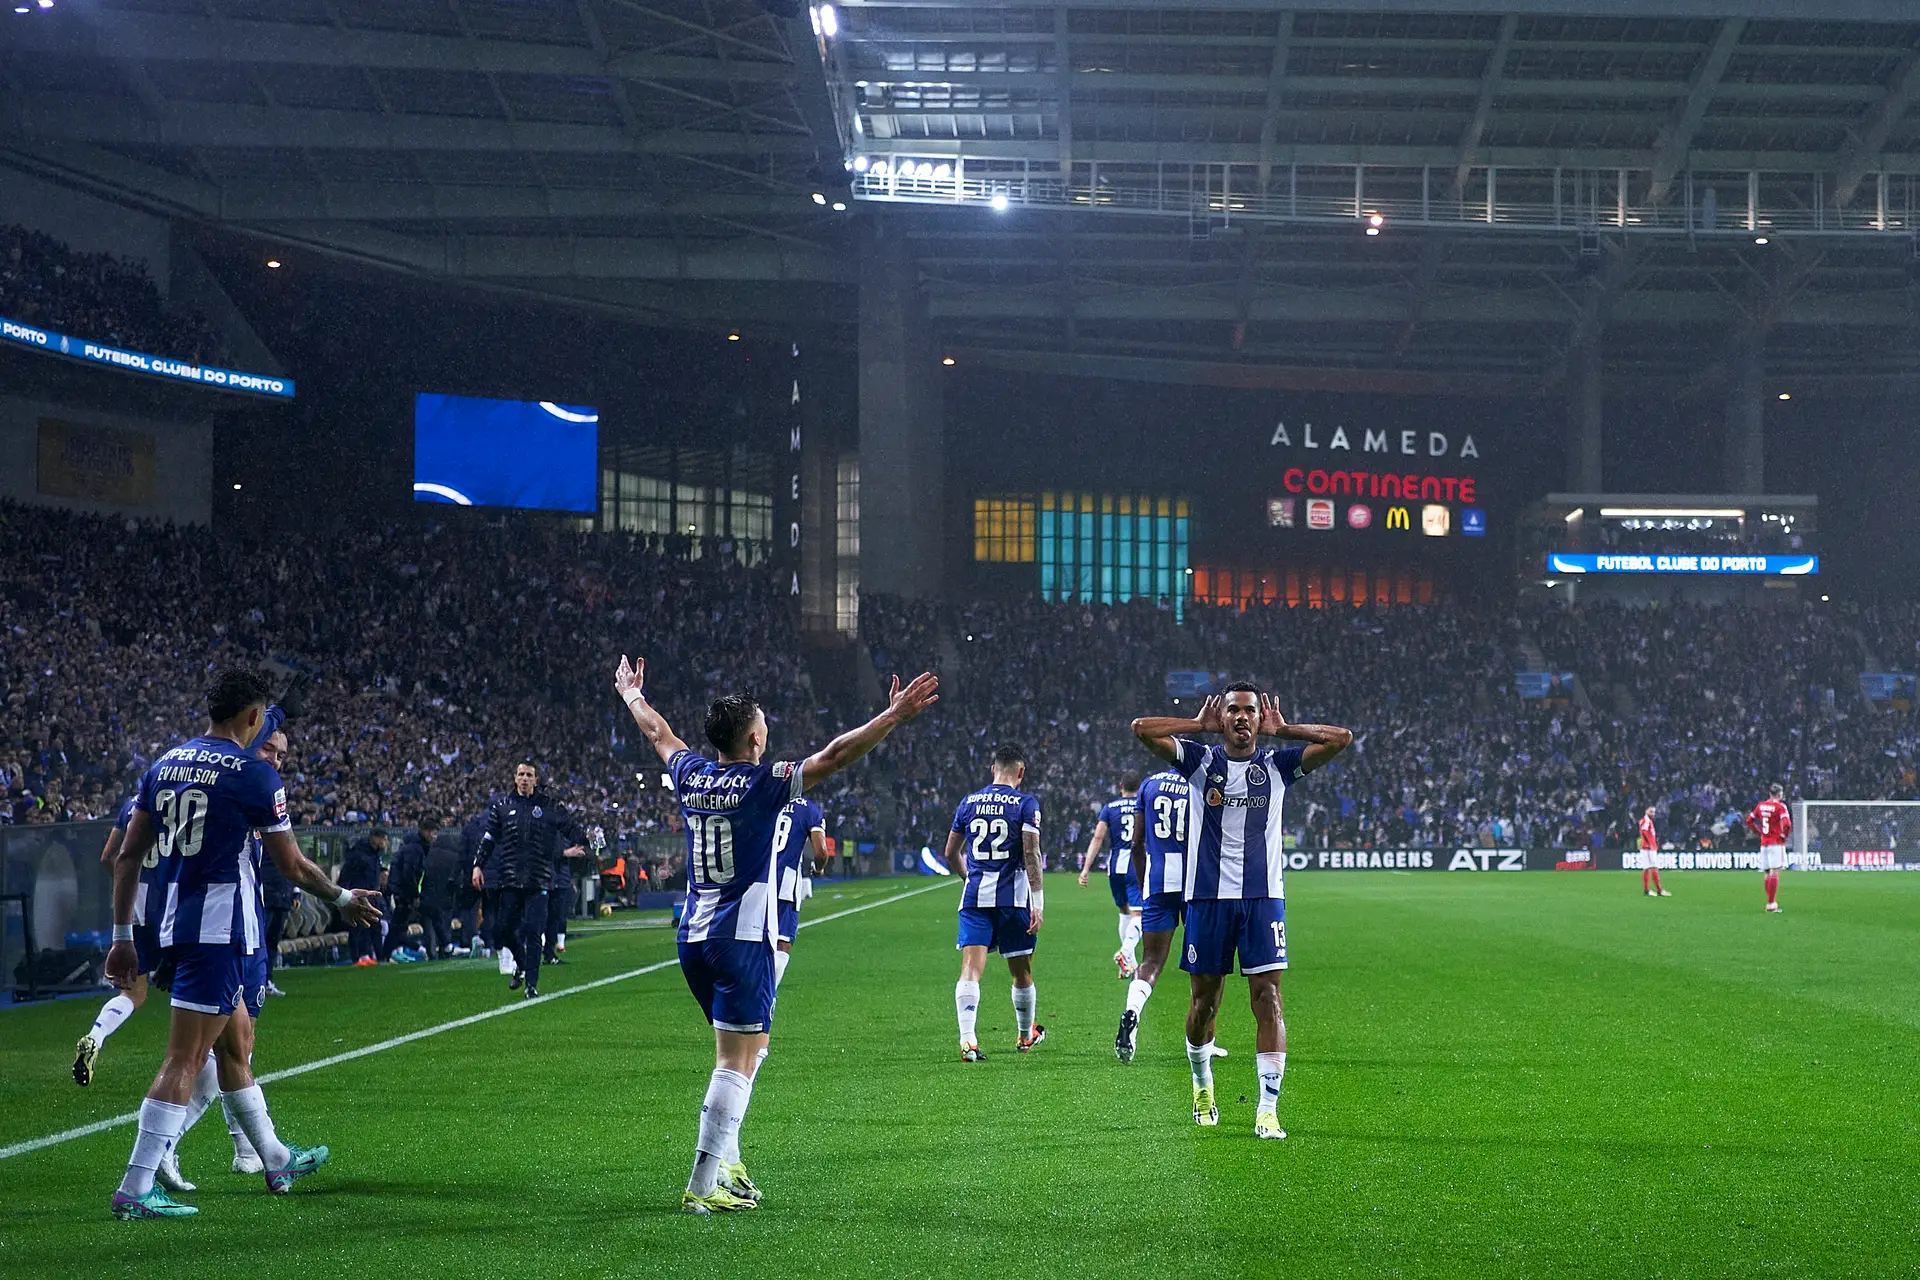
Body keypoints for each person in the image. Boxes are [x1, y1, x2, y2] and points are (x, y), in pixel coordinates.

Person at [614, 653, 937, 1215]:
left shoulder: (692, 772)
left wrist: (631, 697)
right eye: (762, 722)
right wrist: (892, 718)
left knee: (746, 1049)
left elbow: (658, 733)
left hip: (692, 935)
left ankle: (728, 1162)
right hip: (742, 938)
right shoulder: (765, 783)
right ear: (754, 739)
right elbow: (836, 756)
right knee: (735, 1061)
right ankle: (701, 1182)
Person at [104, 667, 380, 1219]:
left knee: (235, 1046)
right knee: (186, 1056)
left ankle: (274, 1157)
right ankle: (136, 1186)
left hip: (172, 921)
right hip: (220, 931)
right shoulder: (253, 775)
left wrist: (120, 936)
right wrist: (343, 898)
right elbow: (294, 865)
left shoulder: (164, 765)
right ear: (253, 718)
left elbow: (126, 855)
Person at [1132, 685, 1352, 1139]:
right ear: (1223, 716)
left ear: (1259, 718)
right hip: (1207, 899)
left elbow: (1341, 738)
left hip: (1262, 898)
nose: (1241, 718)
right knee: (1205, 1003)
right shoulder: (1200, 762)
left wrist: (1286, 729)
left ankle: (1268, 1109)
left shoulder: (1277, 766)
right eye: (1233, 710)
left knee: (1268, 1000)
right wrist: (1197, 724)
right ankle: (1201, 1082)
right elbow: (1142, 730)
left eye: (1249, 711)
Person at [1114, 766, 1225, 1066]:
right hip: (1196, 885)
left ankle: (1133, 1012)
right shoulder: (1201, 782)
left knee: (1151, 960)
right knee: (1205, 964)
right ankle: (1205, 1040)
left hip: (1158, 878)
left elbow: (1137, 844)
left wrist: (1142, 882)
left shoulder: (1149, 784)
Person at [943, 743, 1047, 1063]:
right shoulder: (1026, 804)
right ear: (1021, 772)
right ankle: (1025, 1034)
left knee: (971, 970)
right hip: (1013, 900)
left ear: (993, 770)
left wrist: (968, 879)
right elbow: (1030, 853)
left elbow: (950, 853)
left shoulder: (969, 802)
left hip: (975, 897)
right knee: (1021, 972)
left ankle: (968, 1040)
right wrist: (1038, 902)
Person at [472, 762, 583, 998]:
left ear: (535, 779)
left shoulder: (548, 807)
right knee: (503, 930)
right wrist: (478, 865)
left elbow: (570, 827)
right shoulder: (502, 807)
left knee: (534, 932)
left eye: (529, 775)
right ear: (515, 778)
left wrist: (585, 840)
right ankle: (520, 964)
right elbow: (489, 838)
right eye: (521, 774)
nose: (524, 778)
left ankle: (531, 984)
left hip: (539, 880)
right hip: (510, 879)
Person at [1077, 774, 1143, 979]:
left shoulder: (1110, 808)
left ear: (1120, 786)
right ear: (1138, 788)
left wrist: (1086, 868)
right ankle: (1125, 953)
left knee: (1124, 912)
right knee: (1139, 915)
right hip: (1136, 864)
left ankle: (1128, 964)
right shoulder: (1143, 805)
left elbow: (1098, 837)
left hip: (1115, 866)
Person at [771, 795, 827, 987]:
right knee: (782, 942)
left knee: (754, 939)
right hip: (785, 881)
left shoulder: (766, 798)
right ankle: (765, 996)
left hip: (757, 877)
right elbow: (821, 852)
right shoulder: (808, 809)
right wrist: (818, 868)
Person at [381, 817, 436, 963]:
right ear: (425, 831)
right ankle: (384, 956)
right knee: (397, 927)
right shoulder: (415, 848)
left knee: (399, 927)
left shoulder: (418, 847)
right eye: (432, 833)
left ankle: (385, 956)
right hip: (403, 893)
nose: (434, 836)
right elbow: (409, 873)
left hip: (403, 892)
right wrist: (414, 895)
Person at [542, 808, 590, 966]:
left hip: (561, 877)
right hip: (544, 877)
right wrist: (564, 853)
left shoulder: (566, 833)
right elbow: (540, 850)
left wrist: (586, 843)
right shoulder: (544, 829)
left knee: (556, 916)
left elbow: (575, 854)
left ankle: (549, 952)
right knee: (540, 916)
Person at [419, 817, 466, 959]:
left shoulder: (429, 852)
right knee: (444, 924)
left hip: (427, 895)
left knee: (430, 926)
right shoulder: (454, 856)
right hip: (446, 896)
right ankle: (445, 951)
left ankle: (431, 952)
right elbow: (457, 879)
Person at [1745, 782, 1792, 913]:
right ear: (1780, 794)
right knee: (1775, 872)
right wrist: (1784, 835)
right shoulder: (1780, 807)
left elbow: (1749, 820)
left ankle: (1771, 901)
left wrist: (1759, 832)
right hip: (1776, 843)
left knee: (1767, 873)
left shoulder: (1761, 806)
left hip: (1764, 843)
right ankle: (1771, 904)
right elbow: (1787, 824)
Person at [1639, 806, 1669, 897]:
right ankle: (1659, 890)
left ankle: (1646, 890)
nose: (1653, 814)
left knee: (1646, 868)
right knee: (1654, 867)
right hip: (1649, 849)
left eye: (1654, 812)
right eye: (1651, 811)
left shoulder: (1645, 820)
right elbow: (1643, 831)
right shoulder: (1646, 821)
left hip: (1646, 848)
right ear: (1646, 811)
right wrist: (1649, 844)